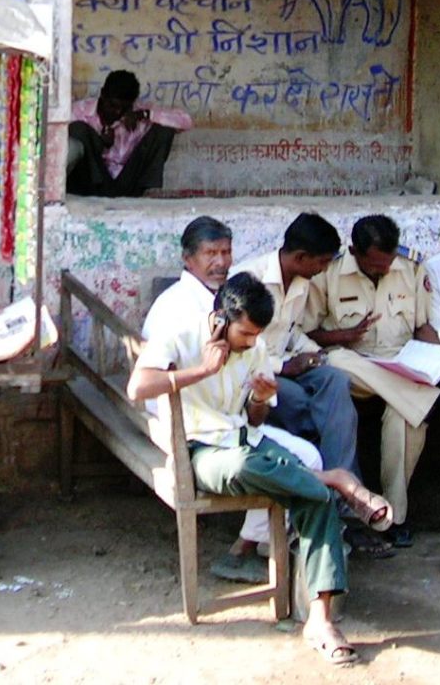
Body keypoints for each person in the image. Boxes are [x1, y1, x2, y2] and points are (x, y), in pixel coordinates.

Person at [128, 272, 391, 667]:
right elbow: (137, 388)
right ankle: (334, 479)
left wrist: (261, 400)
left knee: (312, 498)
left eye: (257, 335)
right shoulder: (180, 334)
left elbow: (253, 420)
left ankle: (320, 622)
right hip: (201, 450)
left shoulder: (255, 347)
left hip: (247, 440)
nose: (252, 342)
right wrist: (202, 370)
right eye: (246, 333)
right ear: (221, 319)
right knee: (245, 468)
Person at [142, 216, 324, 584]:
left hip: (229, 420)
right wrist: (205, 372)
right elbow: (148, 383)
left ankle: (256, 545)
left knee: (303, 452)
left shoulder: (231, 300)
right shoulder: (176, 308)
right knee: (282, 457)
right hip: (188, 423)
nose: (221, 262)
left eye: (226, 252)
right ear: (188, 259)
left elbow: (251, 393)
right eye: (210, 253)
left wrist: (258, 398)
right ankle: (270, 541)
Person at [232, 215, 382, 557]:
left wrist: (314, 354)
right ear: (301, 257)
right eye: (322, 262)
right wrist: (284, 367)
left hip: (289, 365)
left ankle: (343, 495)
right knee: (302, 403)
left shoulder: (300, 282)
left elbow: (292, 332)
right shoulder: (250, 280)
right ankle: (335, 500)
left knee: (336, 381)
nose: (324, 269)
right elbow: (240, 346)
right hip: (256, 376)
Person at [306, 214, 440, 548]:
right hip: (353, 365)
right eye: (376, 266)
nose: (385, 270)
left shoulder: (410, 267)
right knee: (335, 362)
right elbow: (307, 332)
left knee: (406, 419)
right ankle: (433, 399)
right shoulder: (329, 273)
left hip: (400, 364)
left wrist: (438, 362)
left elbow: (422, 326)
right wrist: (344, 335)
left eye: (388, 264)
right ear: (355, 252)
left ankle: (393, 517)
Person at [66, 69, 193, 197]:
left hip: (128, 183)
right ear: (103, 94)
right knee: (77, 129)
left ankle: (148, 191)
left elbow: (186, 121)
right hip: (90, 185)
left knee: (164, 131)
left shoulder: (139, 112)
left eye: (124, 108)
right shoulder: (80, 111)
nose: (117, 112)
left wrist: (146, 114)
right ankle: (95, 190)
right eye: (112, 105)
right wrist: (100, 143)